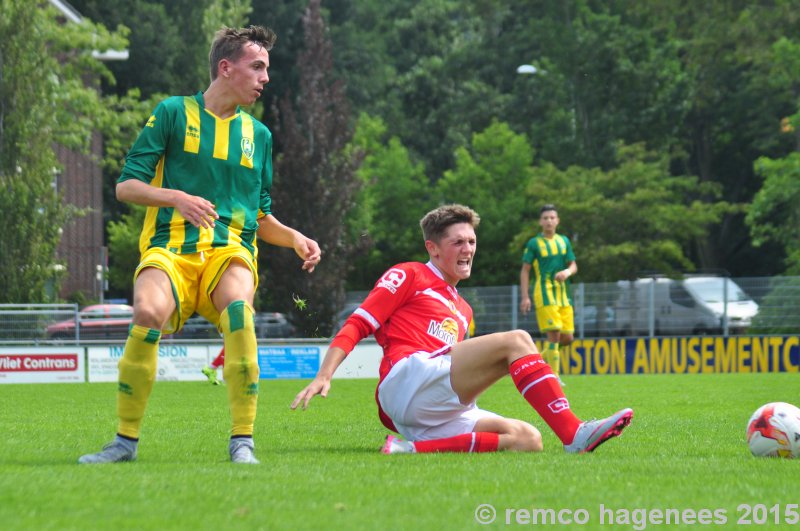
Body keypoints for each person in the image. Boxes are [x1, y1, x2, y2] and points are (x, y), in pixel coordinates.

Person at [79, 25, 321, 465]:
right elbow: (126, 187)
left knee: (238, 311)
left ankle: (242, 441)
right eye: (258, 67)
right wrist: (175, 198)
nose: (266, 77)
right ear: (226, 68)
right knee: (148, 311)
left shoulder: (259, 136)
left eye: (266, 68)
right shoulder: (172, 113)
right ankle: (124, 443)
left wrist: (294, 239)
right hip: (169, 248)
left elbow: (260, 215)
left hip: (230, 251)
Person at [292, 204, 631, 454]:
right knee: (518, 340)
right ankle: (574, 433)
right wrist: (325, 374)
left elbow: (460, 363)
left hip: (430, 409)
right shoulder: (410, 274)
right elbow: (358, 323)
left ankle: (407, 449)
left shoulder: (464, 309)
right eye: (457, 242)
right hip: (407, 380)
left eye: (471, 241)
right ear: (433, 248)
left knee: (528, 440)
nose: (468, 249)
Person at [519, 204, 577, 385]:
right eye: (545, 218)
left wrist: (566, 273)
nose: (549, 221)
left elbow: (573, 265)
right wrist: (525, 296)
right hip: (544, 293)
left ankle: (534, 360)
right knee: (554, 335)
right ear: (540, 221)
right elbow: (525, 270)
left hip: (563, 294)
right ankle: (555, 376)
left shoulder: (564, 241)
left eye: (552, 217)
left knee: (567, 338)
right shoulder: (534, 243)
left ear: (557, 220)